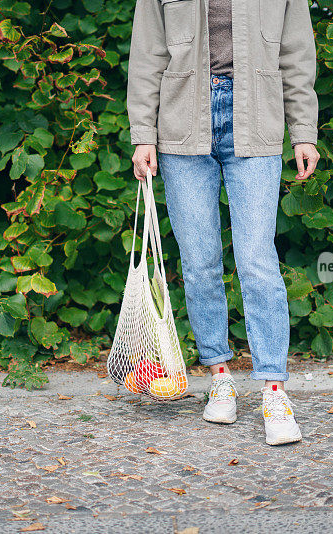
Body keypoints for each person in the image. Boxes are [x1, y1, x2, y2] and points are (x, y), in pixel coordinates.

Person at [126, 0, 320, 445]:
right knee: (199, 263)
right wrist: (143, 135)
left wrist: (304, 130)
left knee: (257, 261)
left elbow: (296, 53)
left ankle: (274, 389)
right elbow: (148, 55)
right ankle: (219, 376)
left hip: (257, 119)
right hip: (181, 122)